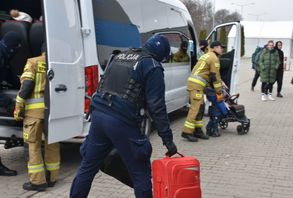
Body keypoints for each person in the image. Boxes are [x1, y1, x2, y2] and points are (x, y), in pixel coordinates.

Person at [69, 35, 177, 198]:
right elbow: (157, 107)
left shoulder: (120, 55)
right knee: (140, 171)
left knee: (87, 166)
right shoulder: (152, 66)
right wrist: (168, 140)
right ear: (162, 54)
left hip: (98, 115)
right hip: (121, 120)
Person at [14, 43, 60, 191]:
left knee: (33, 145)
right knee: (52, 144)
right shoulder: (58, 64)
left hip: (34, 114)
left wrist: (18, 105)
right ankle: (52, 178)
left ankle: (38, 182)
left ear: (41, 51)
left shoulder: (33, 62)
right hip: (52, 112)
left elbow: (27, 85)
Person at [181, 41, 225, 142]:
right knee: (195, 108)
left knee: (201, 107)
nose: (222, 49)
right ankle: (187, 132)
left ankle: (198, 130)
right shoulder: (214, 58)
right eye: (220, 47)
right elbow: (215, 76)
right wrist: (219, 91)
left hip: (196, 84)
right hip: (196, 85)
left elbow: (207, 74)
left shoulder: (207, 55)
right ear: (214, 48)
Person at [0, 31, 21, 176]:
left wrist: (21, 84)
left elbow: (9, 74)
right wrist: (7, 103)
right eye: (17, 47)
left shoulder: (4, 54)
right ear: (12, 46)